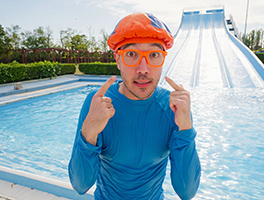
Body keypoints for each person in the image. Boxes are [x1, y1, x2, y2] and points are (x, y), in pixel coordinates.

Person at [69, 12, 201, 200]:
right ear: (118, 59)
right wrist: (89, 132)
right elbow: (80, 185)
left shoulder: (174, 108)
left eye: (154, 55)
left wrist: (186, 128)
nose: (143, 69)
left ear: (163, 58)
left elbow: (187, 192)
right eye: (131, 54)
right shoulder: (98, 103)